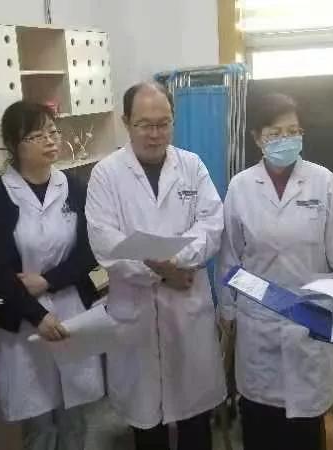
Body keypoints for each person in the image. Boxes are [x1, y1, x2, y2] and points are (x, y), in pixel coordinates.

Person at [85, 82, 226, 450]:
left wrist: (176, 260)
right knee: (148, 428)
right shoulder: (106, 174)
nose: (155, 133)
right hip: (138, 316)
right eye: (144, 124)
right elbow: (106, 243)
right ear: (126, 122)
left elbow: (212, 224)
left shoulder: (191, 166)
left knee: (195, 423)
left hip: (187, 310)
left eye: (163, 124)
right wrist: (164, 272)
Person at [217, 92, 333, 450]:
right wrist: (228, 311)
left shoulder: (322, 182)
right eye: (275, 133)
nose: (286, 140)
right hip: (259, 324)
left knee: (306, 432)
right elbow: (230, 257)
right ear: (257, 138)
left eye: (293, 131)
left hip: (309, 320)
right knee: (261, 428)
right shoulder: (241, 187)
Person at [0, 101, 104, 450]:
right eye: (37, 135)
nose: (50, 140)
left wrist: (48, 281)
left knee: (75, 420)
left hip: (73, 311)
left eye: (53, 132)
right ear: (13, 144)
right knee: (40, 428)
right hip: (23, 323)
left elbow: (89, 251)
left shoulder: (74, 187)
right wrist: (38, 316)